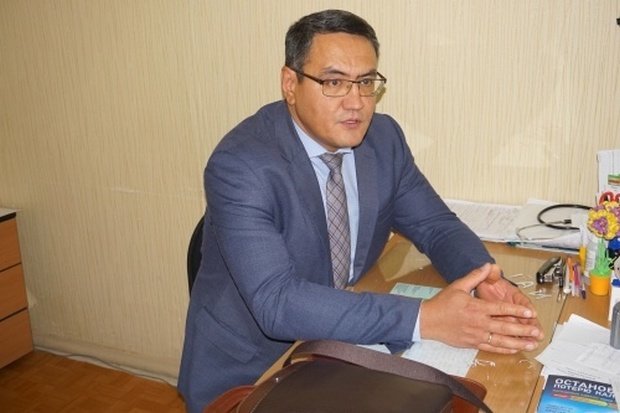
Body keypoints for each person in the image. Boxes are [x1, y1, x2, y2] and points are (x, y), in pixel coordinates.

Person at [178, 9, 544, 413]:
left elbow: (435, 225)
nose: (356, 103)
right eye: (334, 82)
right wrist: (425, 319)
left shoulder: (383, 140)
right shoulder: (241, 165)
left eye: (366, 82)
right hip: (255, 371)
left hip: (342, 344)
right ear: (290, 84)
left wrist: (484, 276)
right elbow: (277, 302)